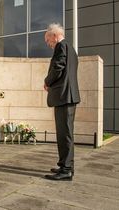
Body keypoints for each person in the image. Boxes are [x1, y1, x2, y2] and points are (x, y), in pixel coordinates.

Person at [43, 23, 80, 181]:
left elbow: (58, 67)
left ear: (54, 35)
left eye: (48, 39)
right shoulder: (71, 49)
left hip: (64, 97)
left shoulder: (61, 46)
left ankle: (66, 170)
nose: (48, 43)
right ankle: (66, 165)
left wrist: (47, 81)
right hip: (68, 97)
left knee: (64, 134)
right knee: (66, 133)